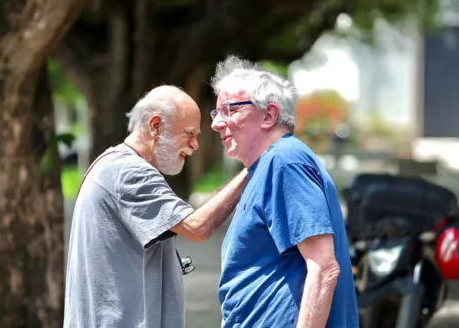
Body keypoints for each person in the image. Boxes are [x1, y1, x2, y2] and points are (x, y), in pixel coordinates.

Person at [64, 85, 247, 328]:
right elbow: (197, 227)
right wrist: (250, 171)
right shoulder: (130, 172)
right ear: (155, 126)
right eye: (189, 134)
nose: (195, 146)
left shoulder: (111, 163)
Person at [210, 56, 359, 328]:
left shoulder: (286, 162)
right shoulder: (266, 165)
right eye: (216, 112)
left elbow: (324, 268)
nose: (216, 124)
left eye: (229, 111)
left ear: (269, 115)